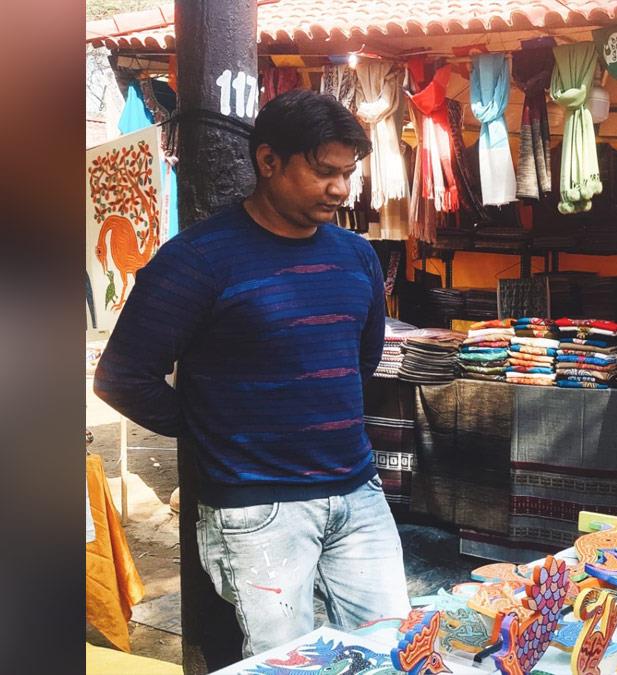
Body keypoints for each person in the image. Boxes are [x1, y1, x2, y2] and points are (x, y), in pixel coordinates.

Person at [93, 89, 410, 657]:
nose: (339, 189)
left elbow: (357, 362)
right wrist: (211, 430)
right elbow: (122, 376)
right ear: (268, 162)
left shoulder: (356, 255)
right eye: (322, 172)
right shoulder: (197, 260)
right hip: (258, 510)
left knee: (393, 650)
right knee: (287, 665)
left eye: (347, 173)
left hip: (357, 492)